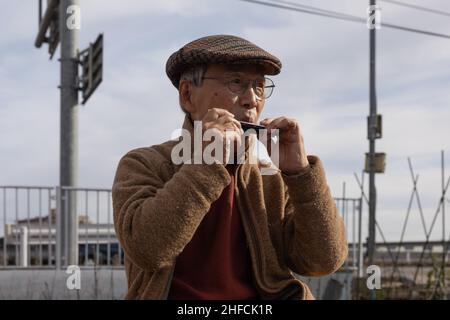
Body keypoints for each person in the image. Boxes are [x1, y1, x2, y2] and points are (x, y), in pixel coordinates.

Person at [112, 34, 348, 300]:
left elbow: (322, 261)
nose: (251, 99)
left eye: (259, 86)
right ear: (188, 95)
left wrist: (300, 175)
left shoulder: (269, 178)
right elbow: (148, 249)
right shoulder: (144, 164)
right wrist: (207, 161)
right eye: (235, 82)